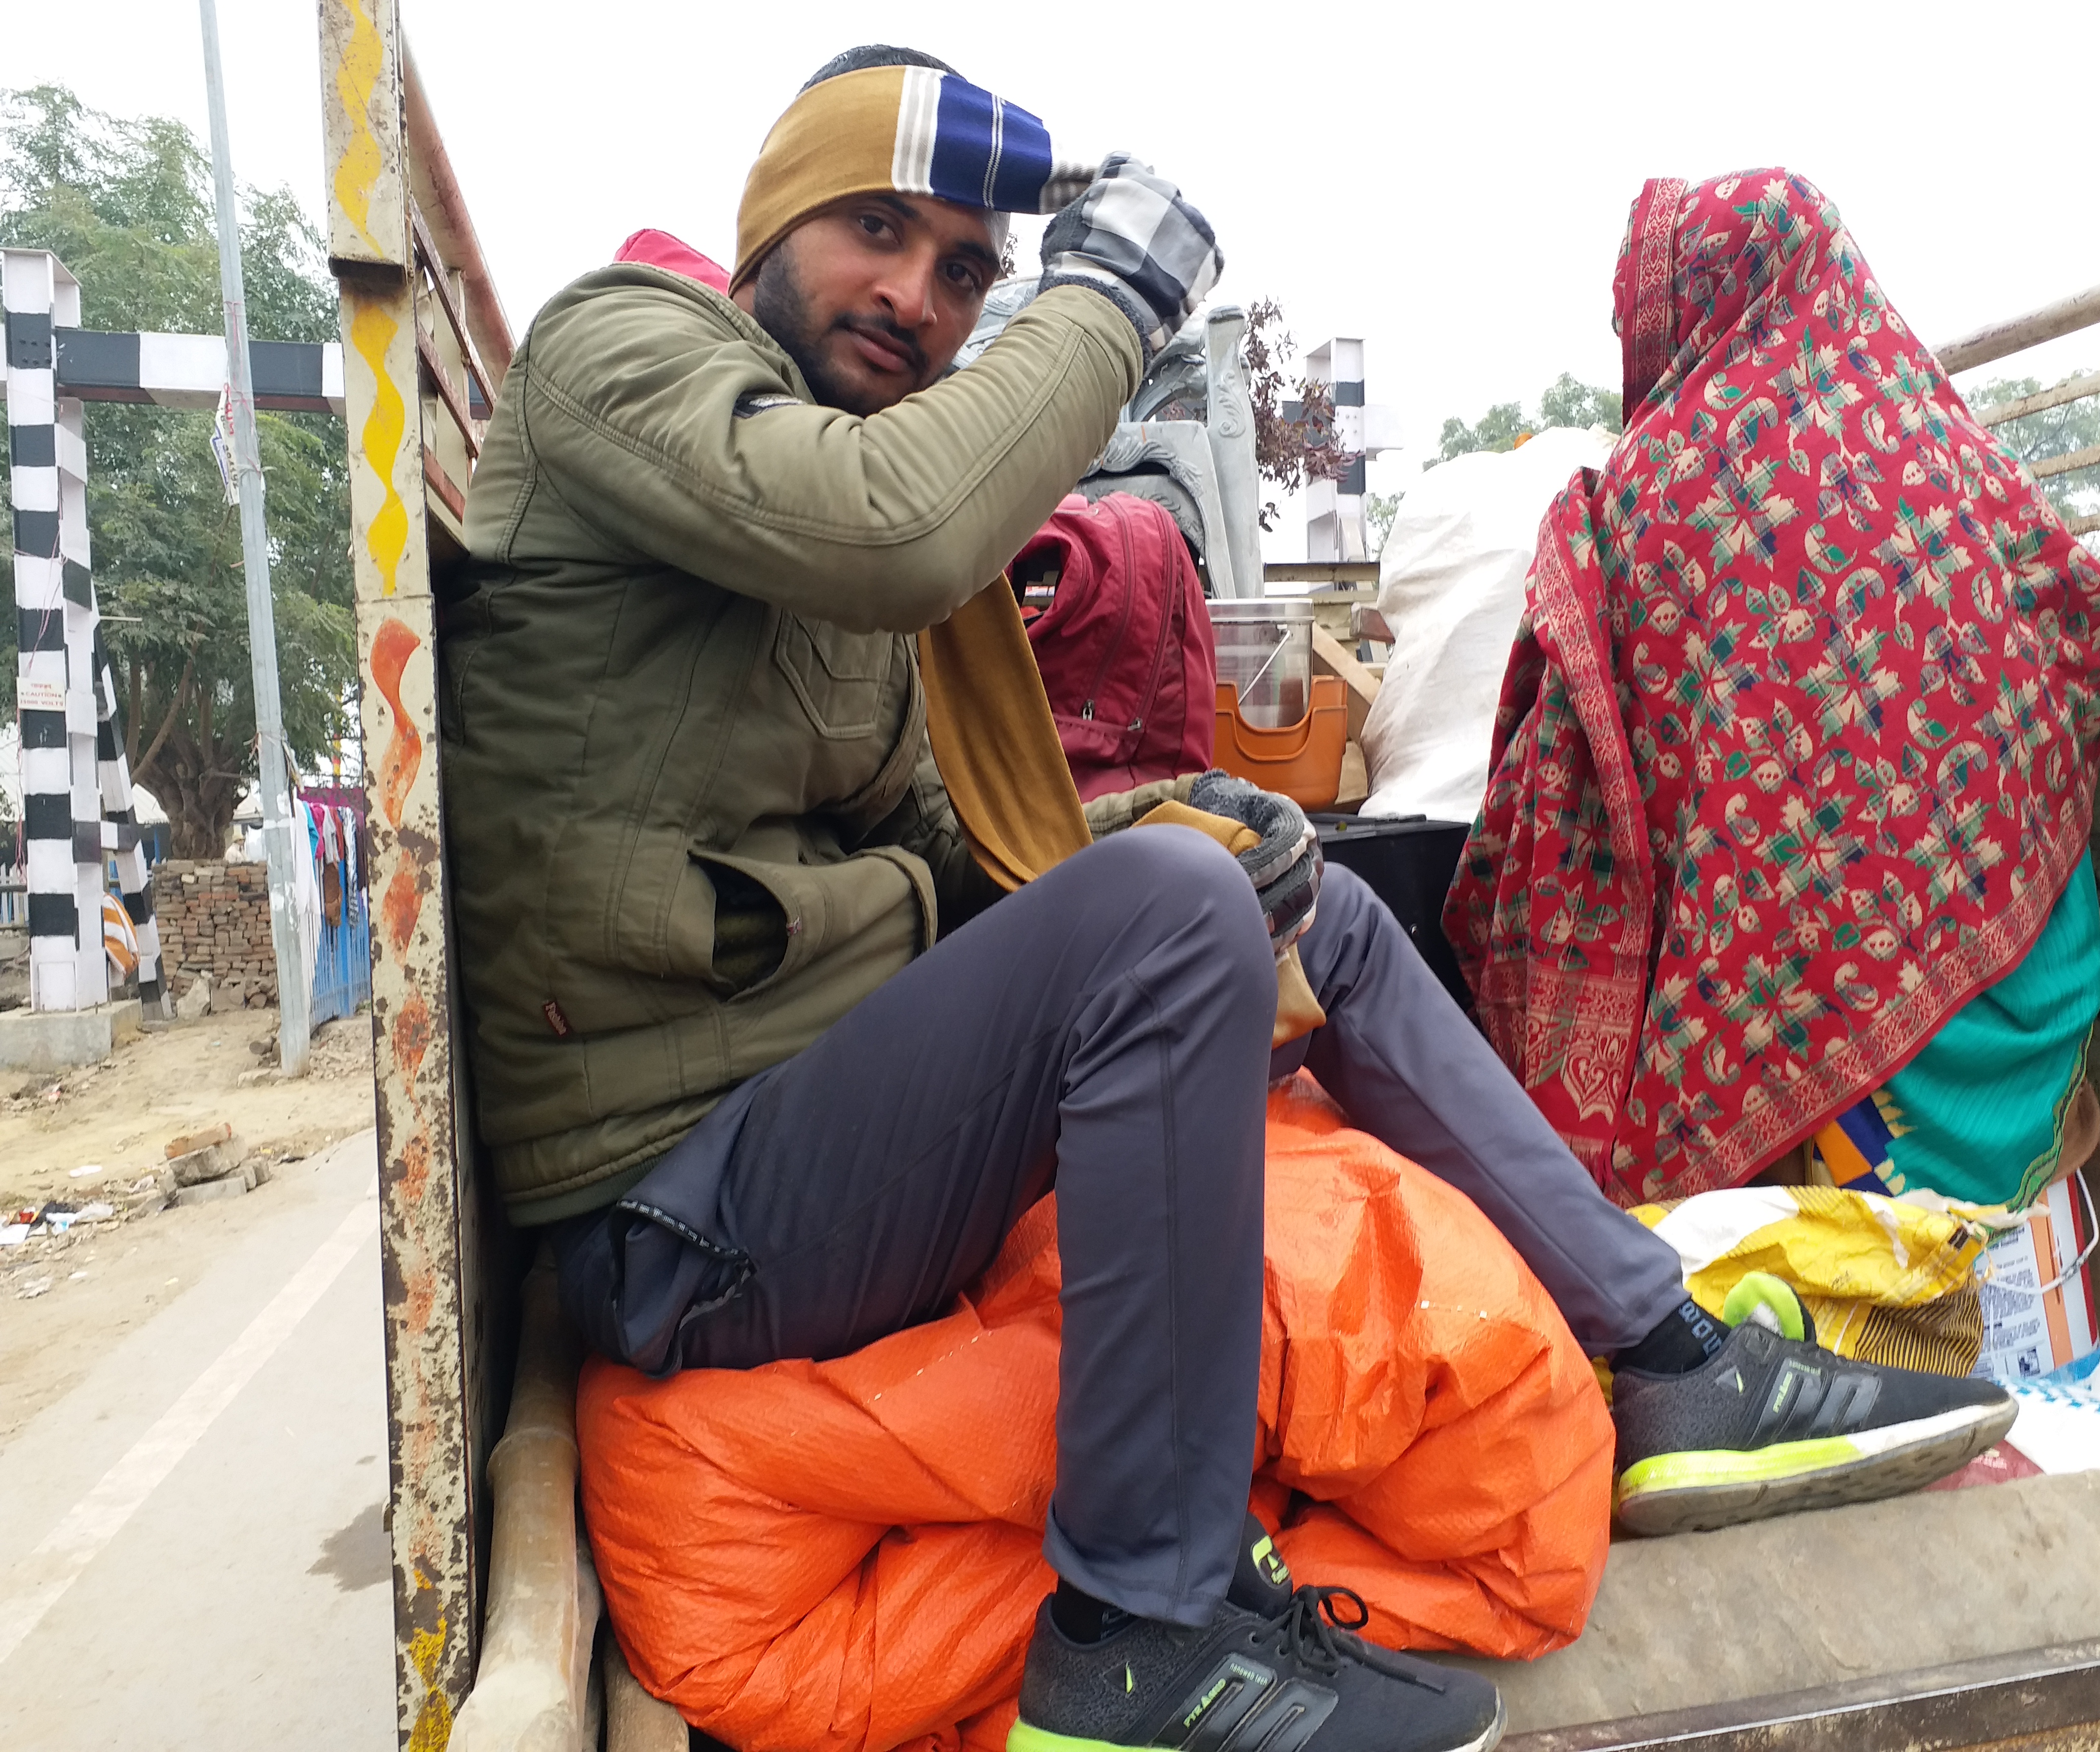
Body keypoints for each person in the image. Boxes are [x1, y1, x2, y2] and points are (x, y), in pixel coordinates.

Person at [441, 57, 2012, 1752]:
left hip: (811, 1133)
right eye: (874, 233)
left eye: (965, 271)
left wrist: (1178, 821)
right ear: (773, 224)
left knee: (1292, 904)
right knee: (1174, 914)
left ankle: (1662, 1352)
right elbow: (895, 532)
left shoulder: (833, 520)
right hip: (673, 1209)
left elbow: (931, 846)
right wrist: (1107, 295)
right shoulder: (627, 351)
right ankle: (1138, 1625)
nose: (915, 296)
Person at [1445, 171, 2100, 1225]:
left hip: (1870, 1085)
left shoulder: (1657, 486)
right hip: (2044, 1019)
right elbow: (2083, 633)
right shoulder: (1943, 433)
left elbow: (1587, 787)